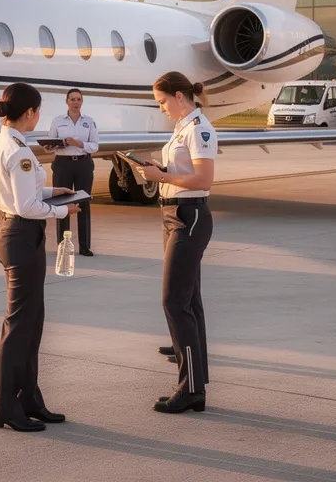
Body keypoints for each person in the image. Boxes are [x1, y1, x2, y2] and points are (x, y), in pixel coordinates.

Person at [0, 83, 79, 432]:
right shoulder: (20, 151)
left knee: (31, 323)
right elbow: (26, 205)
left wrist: (56, 192)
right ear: (30, 113)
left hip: (15, 233)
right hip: (22, 236)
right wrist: (62, 211)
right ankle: (5, 407)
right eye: (38, 111)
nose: (38, 117)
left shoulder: (3, 142)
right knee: (20, 326)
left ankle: (29, 399)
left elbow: (22, 191)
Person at [131, 71, 215, 415]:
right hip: (173, 214)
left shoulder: (199, 129)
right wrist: (159, 168)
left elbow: (203, 178)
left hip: (189, 216)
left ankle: (190, 388)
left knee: (174, 302)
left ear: (180, 96)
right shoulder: (183, 128)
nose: (162, 108)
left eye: (163, 102)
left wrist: (162, 176)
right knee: (188, 303)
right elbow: (181, 169)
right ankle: (195, 384)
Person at [49, 88, 98, 257]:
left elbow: (95, 145)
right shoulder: (57, 121)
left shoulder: (89, 122)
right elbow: (51, 144)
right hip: (63, 164)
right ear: (67, 102)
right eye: (72, 99)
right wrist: (54, 145)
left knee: (83, 203)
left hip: (83, 164)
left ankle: (84, 246)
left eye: (78, 99)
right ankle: (62, 246)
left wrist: (78, 144)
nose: (75, 102)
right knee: (62, 204)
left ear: (82, 102)